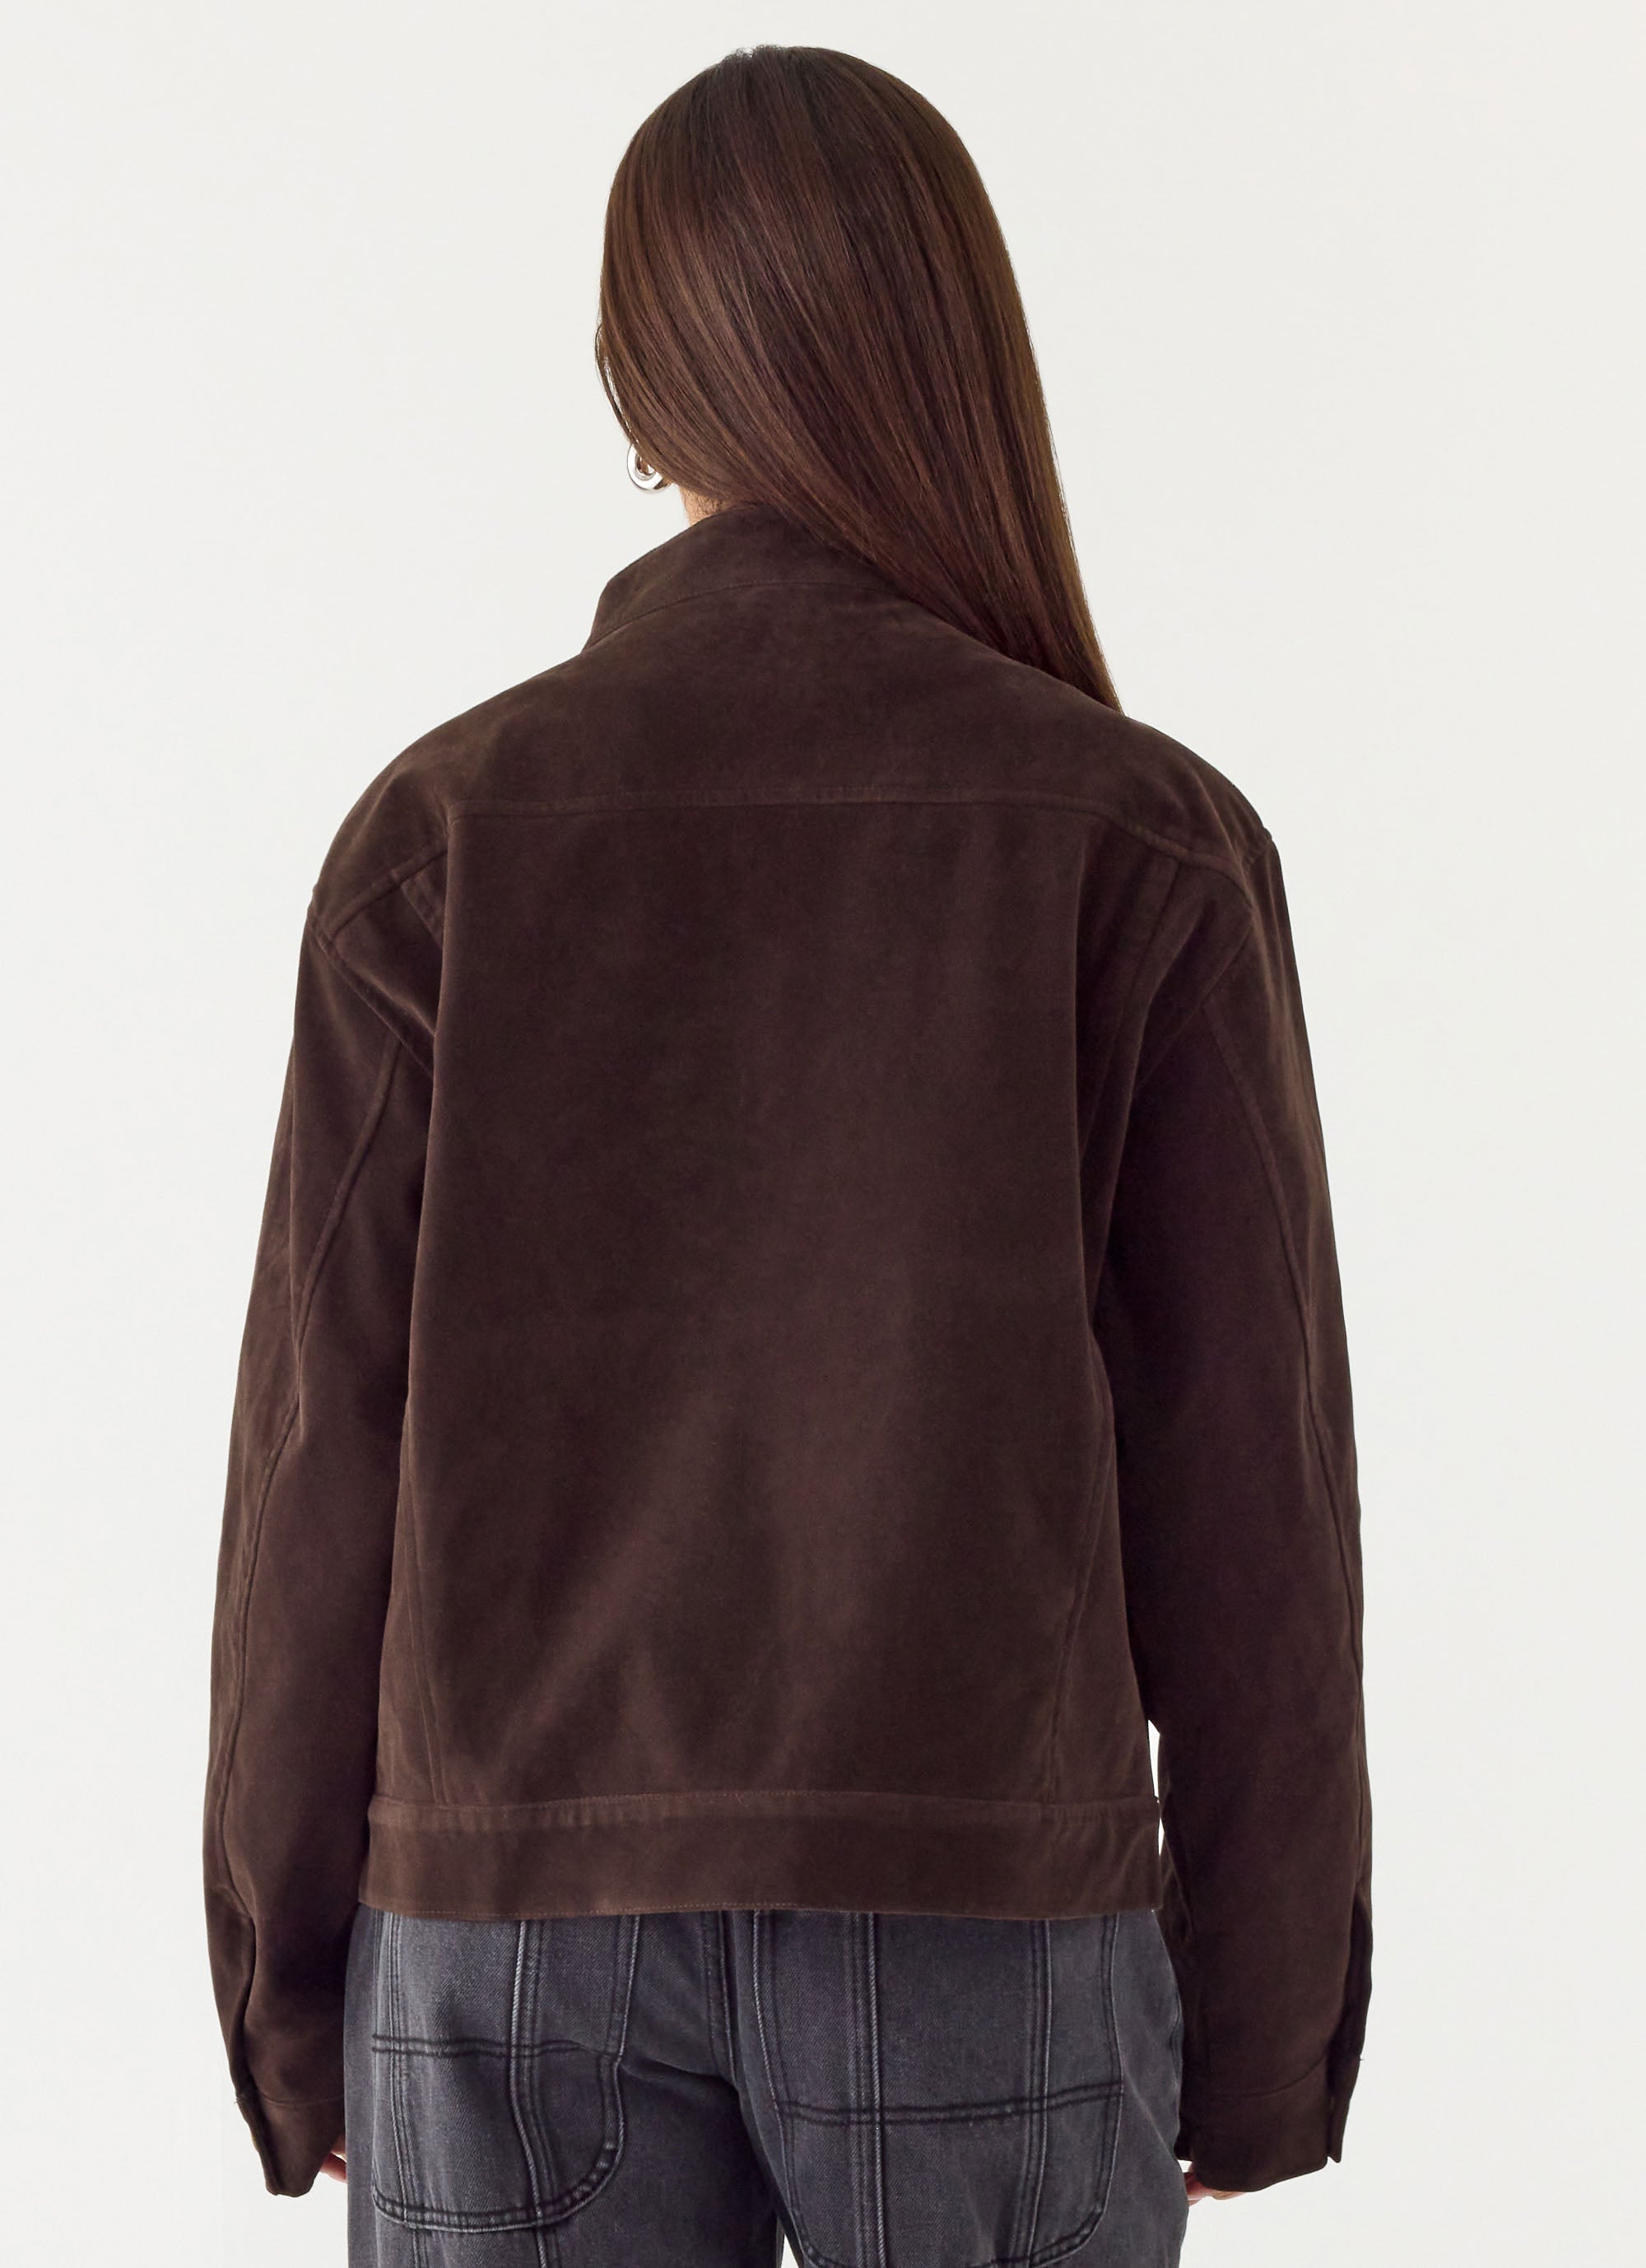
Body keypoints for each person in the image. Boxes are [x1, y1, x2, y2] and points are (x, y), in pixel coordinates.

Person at [203, 43, 1370, 2266]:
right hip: (991, 1918)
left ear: (638, 383)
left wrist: (289, 1984)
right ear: (959, 354)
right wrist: (1263, 2025)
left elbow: (312, 1458)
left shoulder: (440, 842)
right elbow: (1251, 1490)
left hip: (507, 1931)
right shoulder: (1140, 838)